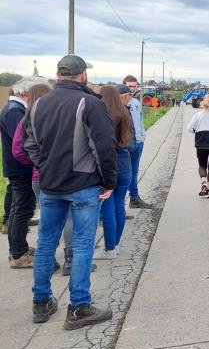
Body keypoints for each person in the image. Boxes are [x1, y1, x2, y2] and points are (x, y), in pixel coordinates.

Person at [25, 55, 116, 328]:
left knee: (44, 244)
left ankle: (41, 302)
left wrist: (46, 165)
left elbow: (29, 143)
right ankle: (78, 306)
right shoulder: (89, 102)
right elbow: (103, 147)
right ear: (83, 75)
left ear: (58, 74)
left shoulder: (39, 103)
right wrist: (109, 182)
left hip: (50, 185)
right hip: (83, 185)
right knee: (82, 245)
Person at [2, 77, 46, 268]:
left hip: (19, 167)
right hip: (21, 168)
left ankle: (19, 248)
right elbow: (21, 144)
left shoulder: (14, 108)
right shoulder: (16, 111)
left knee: (18, 209)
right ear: (25, 93)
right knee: (22, 210)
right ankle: (18, 253)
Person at [96, 85, 136, 260]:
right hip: (124, 163)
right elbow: (131, 142)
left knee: (108, 208)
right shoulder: (125, 114)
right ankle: (115, 245)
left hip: (108, 167)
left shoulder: (103, 116)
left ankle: (109, 248)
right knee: (119, 205)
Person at [123, 76, 153, 210]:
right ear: (124, 85)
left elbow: (140, 121)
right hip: (126, 143)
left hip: (138, 142)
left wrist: (142, 136)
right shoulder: (120, 103)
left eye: (134, 86)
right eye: (129, 86)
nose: (132, 88)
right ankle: (117, 206)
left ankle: (134, 198)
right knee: (124, 174)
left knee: (134, 172)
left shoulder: (135, 102)